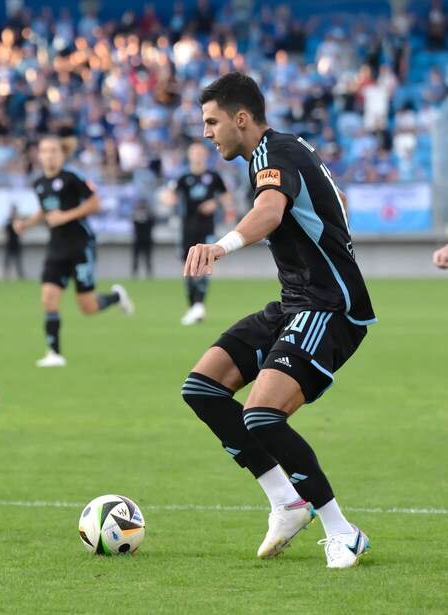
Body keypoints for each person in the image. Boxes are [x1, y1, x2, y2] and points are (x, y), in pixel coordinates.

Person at [183, 72, 376, 569]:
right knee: (203, 387)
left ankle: (342, 531)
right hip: (295, 302)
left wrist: (219, 247)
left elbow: (269, 211)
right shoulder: (286, 151)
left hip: (328, 307)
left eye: (212, 121)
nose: (206, 132)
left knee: (262, 415)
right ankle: (286, 502)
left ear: (241, 119)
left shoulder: (273, 154)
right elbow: (330, 202)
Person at [14, 135, 135, 368]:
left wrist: (65, 217)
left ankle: (117, 296)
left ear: (61, 155)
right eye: (45, 151)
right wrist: (26, 224)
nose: (49, 155)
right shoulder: (39, 183)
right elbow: (45, 211)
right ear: (39, 155)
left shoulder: (73, 178)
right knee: (48, 298)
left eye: (53, 151)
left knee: (87, 307)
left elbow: (94, 204)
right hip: (56, 247)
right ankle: (54, 353)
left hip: (80, 245)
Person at [169, 143, 234, 324]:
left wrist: (218, 204)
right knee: (188, 268)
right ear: (189, 156)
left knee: (204, 266)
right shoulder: (183, 177)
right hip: (187, 228)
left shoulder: (213, 177)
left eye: (200, 153)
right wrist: (170, 199)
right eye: (194, 153)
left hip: (207, 228)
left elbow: (226, 197)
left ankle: (199, 305)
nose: (197, 156)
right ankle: (193, 307)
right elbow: (169, 196)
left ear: (205, 155)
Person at [131, 200, 155, 278]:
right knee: (136, 258)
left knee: (148, 258)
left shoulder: (149, 216)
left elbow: (153, 223)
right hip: (138, 240)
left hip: (147, 240)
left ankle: (149, 274)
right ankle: (134, 273)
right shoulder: (136, 216)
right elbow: (134, 224)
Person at [4, 205, 25, 280]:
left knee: (18, 261)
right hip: (9, 243)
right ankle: (6, 276)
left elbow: (21, 231)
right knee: (7, 260)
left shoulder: (18, 220)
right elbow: (6, 230)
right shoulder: (8, 220)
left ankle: (20, 276)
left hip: (17, 243)